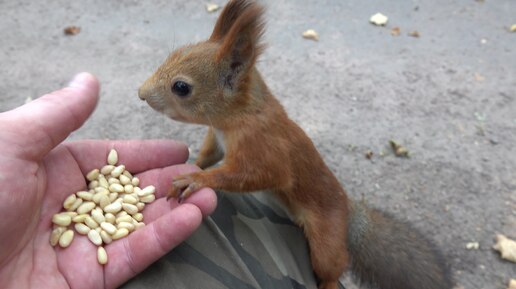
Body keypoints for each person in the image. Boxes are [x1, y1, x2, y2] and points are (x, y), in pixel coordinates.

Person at [0, 73, 337, 289]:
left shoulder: (254, 131)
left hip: (310, 207)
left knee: (324, 261)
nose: (144, 92)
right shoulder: (229, 121)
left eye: (180, 88)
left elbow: (271, 174)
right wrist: (203, 163)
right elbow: (217, 138)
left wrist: (205, 176)